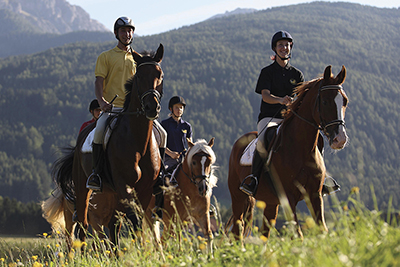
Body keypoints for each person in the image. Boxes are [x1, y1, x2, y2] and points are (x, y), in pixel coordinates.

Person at [86, 16, 167, 193]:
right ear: (116, 33)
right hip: (113, 109)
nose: (127, 34)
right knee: (99, 131)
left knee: (163, 133)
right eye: (123, 31)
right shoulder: (106, 56)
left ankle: (160, 175)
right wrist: (102, 102)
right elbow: (99, 82)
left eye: (130, 30)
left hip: (136, 111)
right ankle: (96, 174)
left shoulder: (139, 59)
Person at [239, 31, 305, 196]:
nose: (284, 48)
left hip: (290, 118)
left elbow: (301, 98)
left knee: (311, 137)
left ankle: (321, 176)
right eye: (281, 45)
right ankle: (253, 178)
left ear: (291, 48)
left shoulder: (297, 75)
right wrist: (281, 100)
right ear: (275, 48)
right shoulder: (267, 72)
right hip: (269, 118)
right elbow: (266, 96)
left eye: (287, 45)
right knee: (262, 141)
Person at [161, 96, 192, 173]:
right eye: (176, 107)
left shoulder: (187, 126)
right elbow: (160, 143)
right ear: (171, 109)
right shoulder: (165, 124)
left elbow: (190, 144)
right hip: (168, 159)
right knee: (162, 176)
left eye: (181, 108)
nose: (179, 110)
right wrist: (171, 153)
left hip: (184, 160)